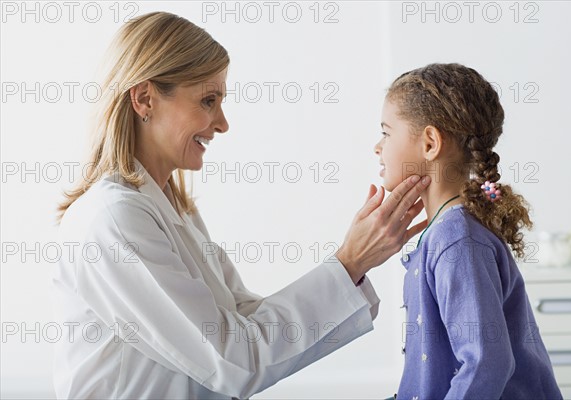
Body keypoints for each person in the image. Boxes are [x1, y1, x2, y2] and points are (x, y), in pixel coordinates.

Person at [52, 11, 431, 399]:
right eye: (208, 100)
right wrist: (350, 261)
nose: (222, 123)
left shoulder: (174, 210)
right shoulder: (113, 219)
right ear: (145, 98)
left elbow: (241, 323)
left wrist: (353, 265)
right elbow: (232, 358)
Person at [376, 63, 563, 399]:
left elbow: (485, 365)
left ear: (430, 143)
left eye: (387, 133)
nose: (378, 146)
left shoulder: (457, 240)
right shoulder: (446, 233)